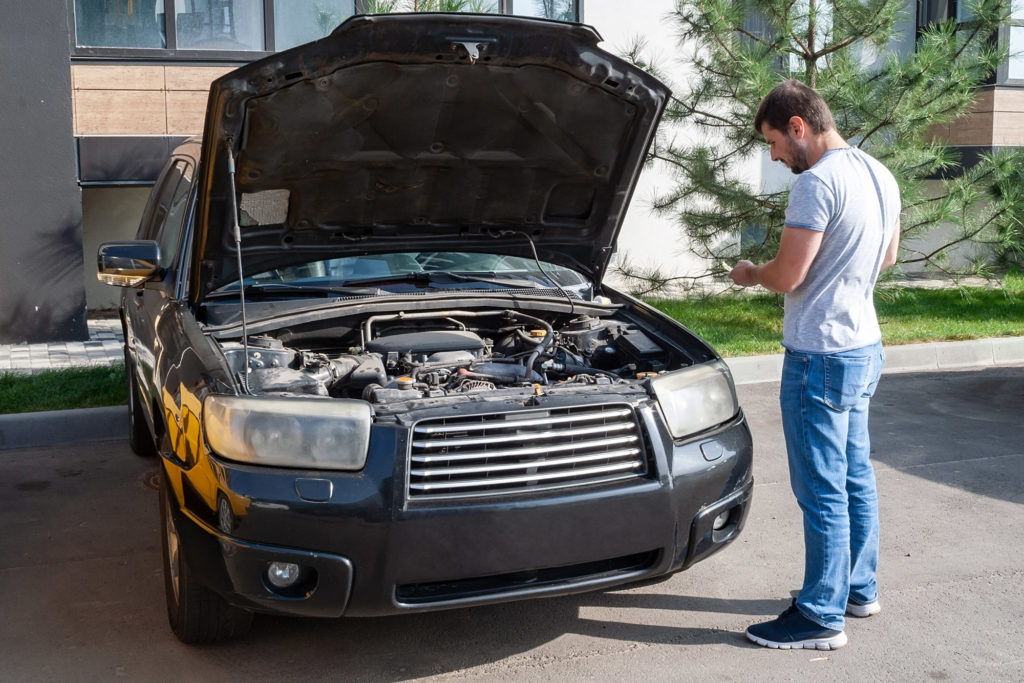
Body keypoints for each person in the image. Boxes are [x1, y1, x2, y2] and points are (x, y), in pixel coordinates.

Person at [728, 79, 900, 650]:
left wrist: (753, 273)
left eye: (774, 142)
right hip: (863, 347)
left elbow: (788, 276)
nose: (775, 156)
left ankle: (821, 615)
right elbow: (889, 256)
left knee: (821, 488)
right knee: (855, 475)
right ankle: (859, 589)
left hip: (820, 356)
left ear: (798, 125)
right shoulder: (880, 174)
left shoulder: (817, 185)